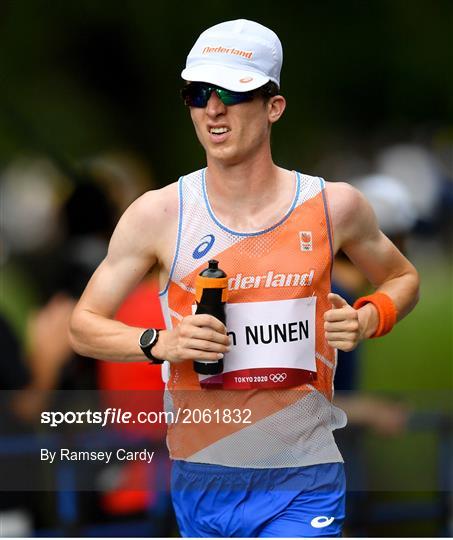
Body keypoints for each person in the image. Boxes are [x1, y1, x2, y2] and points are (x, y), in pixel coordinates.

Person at [69, 19, 420, 537]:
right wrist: (161, 342)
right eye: (198, 93)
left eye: (232, 92)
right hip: (205, 476)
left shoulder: (333, 206)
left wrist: (372, 316)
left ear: (273, 106)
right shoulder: (159, 214)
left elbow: (403, 278)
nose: (213, 108)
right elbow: (83, 325)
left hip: (306, 474)